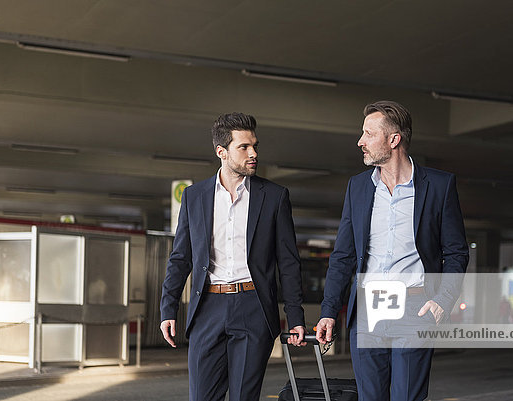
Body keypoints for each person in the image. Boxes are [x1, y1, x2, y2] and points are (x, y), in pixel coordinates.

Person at [316, 101, 468, 401]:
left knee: (407, 396)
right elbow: (343, 255)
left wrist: (443, 300)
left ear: (393, 139)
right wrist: (328, 312)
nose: (361, 141)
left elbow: (456, 252)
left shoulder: (438, 186)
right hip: (368, 310)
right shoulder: (358, 187)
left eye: (368, 134)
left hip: (415, 307)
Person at [160, 112, 306, 401]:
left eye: (255, 146)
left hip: (253, 307)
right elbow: (181, 258)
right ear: (221, 152)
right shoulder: (194, 196)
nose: (253, 154)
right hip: (207, 308)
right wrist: (168, 308)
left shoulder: (274, 196)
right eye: (244, 147)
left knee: (243, 396)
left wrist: (295, 316)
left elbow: (288, 261)